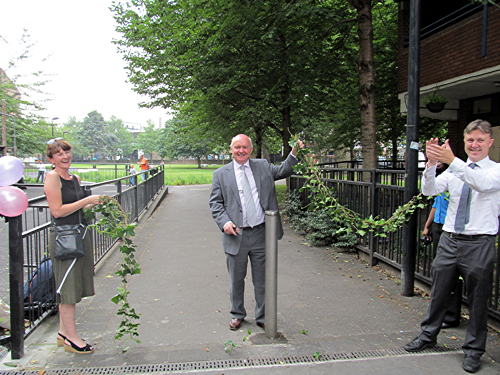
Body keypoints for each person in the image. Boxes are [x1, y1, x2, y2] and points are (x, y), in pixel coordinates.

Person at [404, 120, 500, 373]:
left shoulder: (495, 171)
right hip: (450, 239)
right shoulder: (456, 170)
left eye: (480, 140)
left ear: (490, 142)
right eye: (470, 140)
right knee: (439, 289)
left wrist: (453, 160)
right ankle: (428, 335)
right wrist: (432, 164)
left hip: (480, 241)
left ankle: (473, 350)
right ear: (465, 142)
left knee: (478, 299)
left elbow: (480, 183)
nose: (475, 145)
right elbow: (429, 190)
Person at [209, 134, 304, 331]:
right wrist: (225, 222)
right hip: (236, 235)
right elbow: (216, 203)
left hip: (262, 234)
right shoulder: (221, 174)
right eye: (237, 147)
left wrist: (295, 151)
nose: (241, 151)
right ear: (231, 149)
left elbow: (285, 169)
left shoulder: (263, 166)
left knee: (262, 279)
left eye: (244, 147)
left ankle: (262, 316)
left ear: (250, 149)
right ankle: (237, 314)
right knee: (236, 278)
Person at [44, 138, 102, 354]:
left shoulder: (73, 178)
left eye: (66, 152)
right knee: (68, 288)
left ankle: (62, 332)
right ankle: (72, 338)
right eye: (59, 154)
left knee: (74, 284)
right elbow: (57, 211)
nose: (65, 156)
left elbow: (76, 207)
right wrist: (86, 201)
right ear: (51, 159)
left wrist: (94, 204)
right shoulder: (52, 178)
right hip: (64, 238)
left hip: (78, 235)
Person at [421, 163, 462, 329]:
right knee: (440, 270)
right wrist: (427, 226)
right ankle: (442, 312)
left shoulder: (457, 180)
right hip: (439, 227)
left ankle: (451, 314)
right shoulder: (443, 181)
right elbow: (435, 204)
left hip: (450, 229)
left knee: (451, 273)